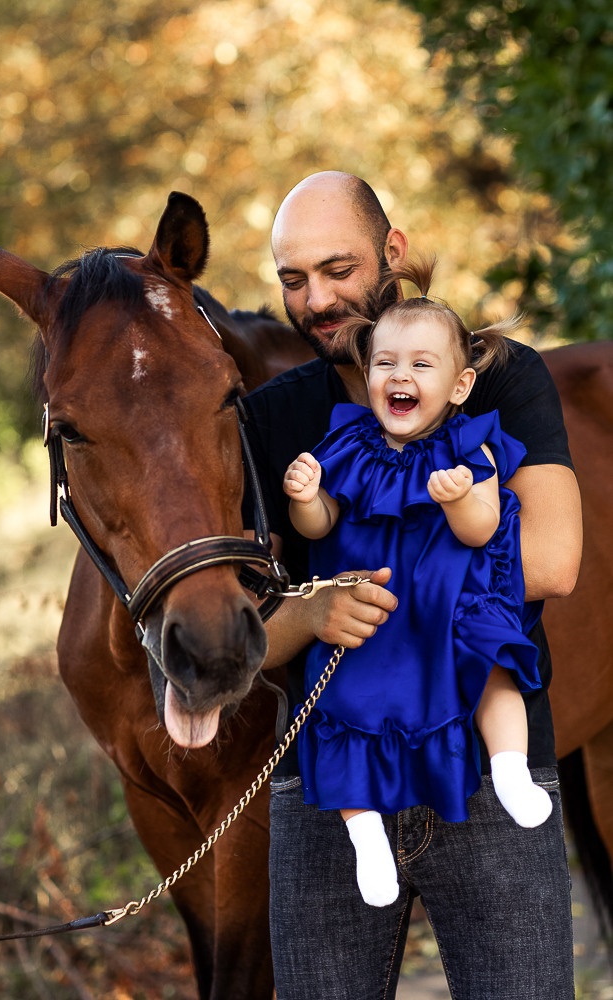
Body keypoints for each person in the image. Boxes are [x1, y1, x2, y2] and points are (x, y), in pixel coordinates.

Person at [242, 171, 582, 999]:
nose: (316, 299)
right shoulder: (274, 417)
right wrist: (313, 607)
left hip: (486, 767)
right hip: (332, 779)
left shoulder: (499, 377)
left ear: (391, 253)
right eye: (293, 279)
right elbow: (248, 630)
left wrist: (397, 577)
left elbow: (554, 559)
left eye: (337, 269)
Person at [282, 256, 552, 909]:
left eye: (420, 366)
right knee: (341, 714)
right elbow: (319, 530)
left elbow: (482, 530)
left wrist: (460, 498)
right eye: (384, 364)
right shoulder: (345, 446)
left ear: (458, 386)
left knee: (490, 666)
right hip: (370, 614)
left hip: (447, 606)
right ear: (366, 375)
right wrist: (305, 496)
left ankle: (510, 769)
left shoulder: (469, 446)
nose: (399, 376)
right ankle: (366, 836)